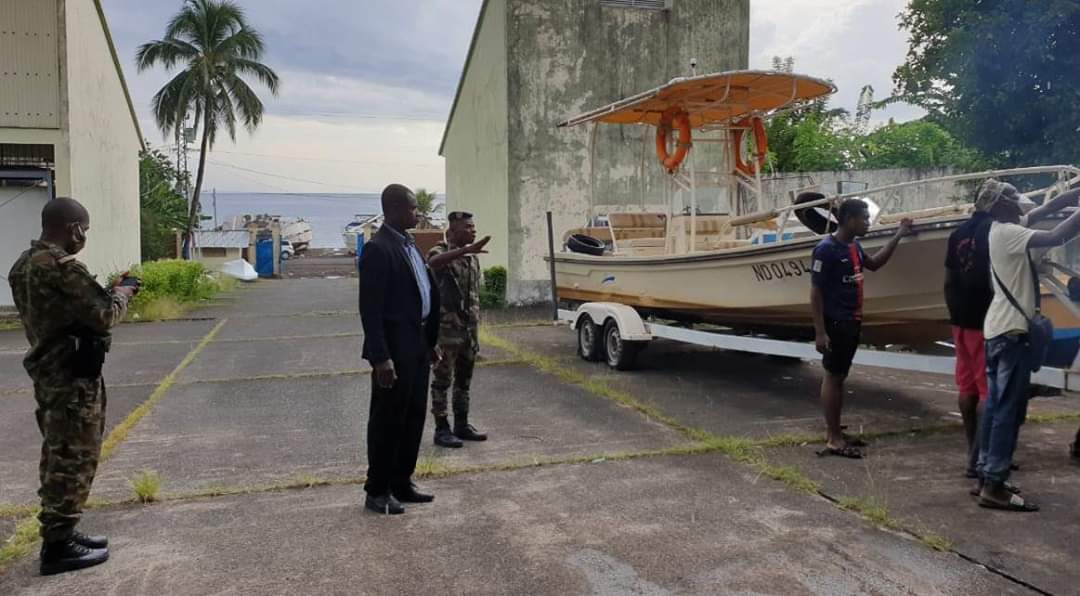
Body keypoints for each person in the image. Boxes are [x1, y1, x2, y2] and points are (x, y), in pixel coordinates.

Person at [8, 197, 137, 575]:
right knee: (74, 457)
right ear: (74, 228)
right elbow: (103, 315)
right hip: (71, 377)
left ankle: (63, 530)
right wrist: (124, 292)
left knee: (59, 452)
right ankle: (58, 545)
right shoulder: (62, 268)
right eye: (85, 230)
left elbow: (66, 312)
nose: (85, 237)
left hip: (51, 371)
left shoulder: (24, 265)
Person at [975, 179, 1080, 511]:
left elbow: (1048, 208)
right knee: (1007, 412)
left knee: (996, 409)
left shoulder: (1001, 227)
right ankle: (994, 486)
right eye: (1014, 198)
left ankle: (985, 475)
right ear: (1002, 205)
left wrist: (1075, 191)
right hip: (1011, 335)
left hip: (998, 330)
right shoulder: (1009, 233)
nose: (1021, 203)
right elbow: (1057, 236)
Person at [358, 184, 441, 515]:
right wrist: (381, 358)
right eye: (412, 208)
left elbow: (422, 293)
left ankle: (402, 482)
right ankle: (378, 490)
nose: (417, 213)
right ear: (393, 209)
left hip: (417, 344)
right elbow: (370, 309)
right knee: (387, 420)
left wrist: (430, 343)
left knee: (413, 416)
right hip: (394, 350)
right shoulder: (378, 249)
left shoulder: (409, 245)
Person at [810, 198, 912, 459]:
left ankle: (836, 431)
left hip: (852, 320)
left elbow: (874, 264)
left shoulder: (853, 245)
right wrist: (820, 331)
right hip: (836, 323)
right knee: (833, 377)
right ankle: (834, 439)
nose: (868, 223)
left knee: (840, 377)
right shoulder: (826, 250)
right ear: (849, 220)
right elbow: (815, 292)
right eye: (864, 219)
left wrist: (899, 234)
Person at [427, 211, 492, 448]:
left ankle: (461, 424)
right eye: (468, 227)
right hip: (447, 333)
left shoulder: (472, 258)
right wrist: (465, 250)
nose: (473, 231)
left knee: (464, 381)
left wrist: (469, 252)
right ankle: (441, 429)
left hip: (469, 332)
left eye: (473, 227)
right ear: (452, 231)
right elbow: (433, 263)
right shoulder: (440, 250)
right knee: (442, 381)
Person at [944, 198, 995, 478]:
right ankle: (983, 456)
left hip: (960, 321)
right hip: (985, 319)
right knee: (988, 392)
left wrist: (954, 315)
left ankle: (971, 451)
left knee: (967, 388)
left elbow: (948, 280)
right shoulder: (995, 230)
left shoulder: (957, 233)